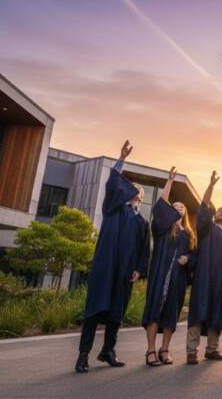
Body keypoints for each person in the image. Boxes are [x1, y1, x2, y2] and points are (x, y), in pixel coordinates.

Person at [76, 140, 150, 373]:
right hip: (106, 268)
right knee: (93, 311)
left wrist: (139, 268)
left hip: (125, 273)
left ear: (141, 196)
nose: (132, 189)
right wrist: (122, 160)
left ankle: (108, 350)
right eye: (129, 186)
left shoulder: (142, 222)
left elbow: (144, 250)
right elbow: (112, 186)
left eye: (137, 188)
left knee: (116, 313)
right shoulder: (113, 209)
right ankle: (83, 355)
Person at [142, 167, 195, 366]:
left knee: (171, 313)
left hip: (177, 279)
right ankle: (150, 351)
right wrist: (169, 182)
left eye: (182, 206)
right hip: (160, 275)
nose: (178, 207)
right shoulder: (162, 229)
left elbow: (193, 253)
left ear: (186, 212)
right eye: (175, 205)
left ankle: (165, 350)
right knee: (154, 311)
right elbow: (160, 206)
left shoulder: (189, 234)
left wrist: (188, 259)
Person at [186, 171, 222, 364]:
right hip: (204, 278)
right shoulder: (206, 230)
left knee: (217, 313)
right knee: (198, 312)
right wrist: (210, 186)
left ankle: (211, 349)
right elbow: (203, 208)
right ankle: (191, 351)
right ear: (215, 215)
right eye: (220, 210)